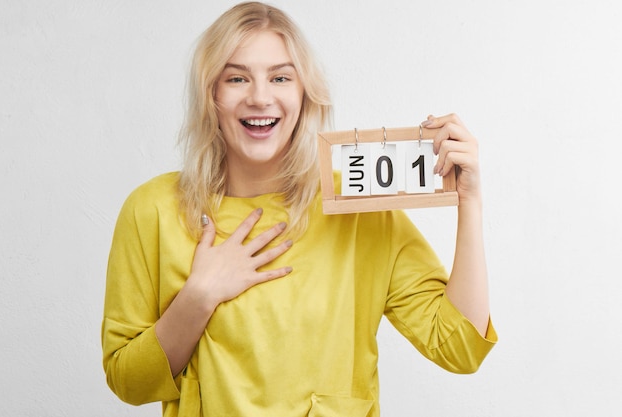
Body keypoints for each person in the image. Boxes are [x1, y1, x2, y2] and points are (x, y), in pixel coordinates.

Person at [101, 2, 497, 416]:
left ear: (304, 93)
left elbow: (461, 348)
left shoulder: (357, 207)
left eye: (280, 77)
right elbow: (128, 382)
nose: (259, 96)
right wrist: (198, 298)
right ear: (211, 94)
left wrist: (469, 202)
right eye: (236, 77)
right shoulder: (154, 210)